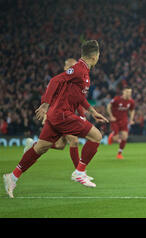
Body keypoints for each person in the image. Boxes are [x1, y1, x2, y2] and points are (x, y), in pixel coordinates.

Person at [3, 40, 109, 198]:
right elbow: (54, 80)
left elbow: (78, 96)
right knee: (96, 136)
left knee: (40, 148)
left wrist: (92, 111)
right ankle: (79, 172)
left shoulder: (85, 72)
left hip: (57, 115)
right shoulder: (79, 69)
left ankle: (12, 177)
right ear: (95, 57)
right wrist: (45, 104)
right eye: (99, 54)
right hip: (62, 114)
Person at [27, 58, 91, 177]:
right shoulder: (58, 81)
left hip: (67, 116)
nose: (74, 69)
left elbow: (78, 101)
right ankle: (79, 172)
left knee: (61, 146)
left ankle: (34, 145)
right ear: (66, 69)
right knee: (74, 140)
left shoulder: (74, 84)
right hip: (57, 116)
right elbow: (46, 97)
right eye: (71, 67)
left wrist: (82, 115)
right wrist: (46, 114)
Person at [107, 87, 135, 159]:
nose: (129, 94)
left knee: (125, 137)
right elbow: (109, 106)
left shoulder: (131, 101)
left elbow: (132, 110)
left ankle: (119, 154)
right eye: (127, 92)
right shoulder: (117, 99)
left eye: (130, 92)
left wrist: (131, 119)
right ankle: (112, 135)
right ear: (123, 92)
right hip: (115, 120)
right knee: (116, 139)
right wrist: (111, 116)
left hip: (124, 120)